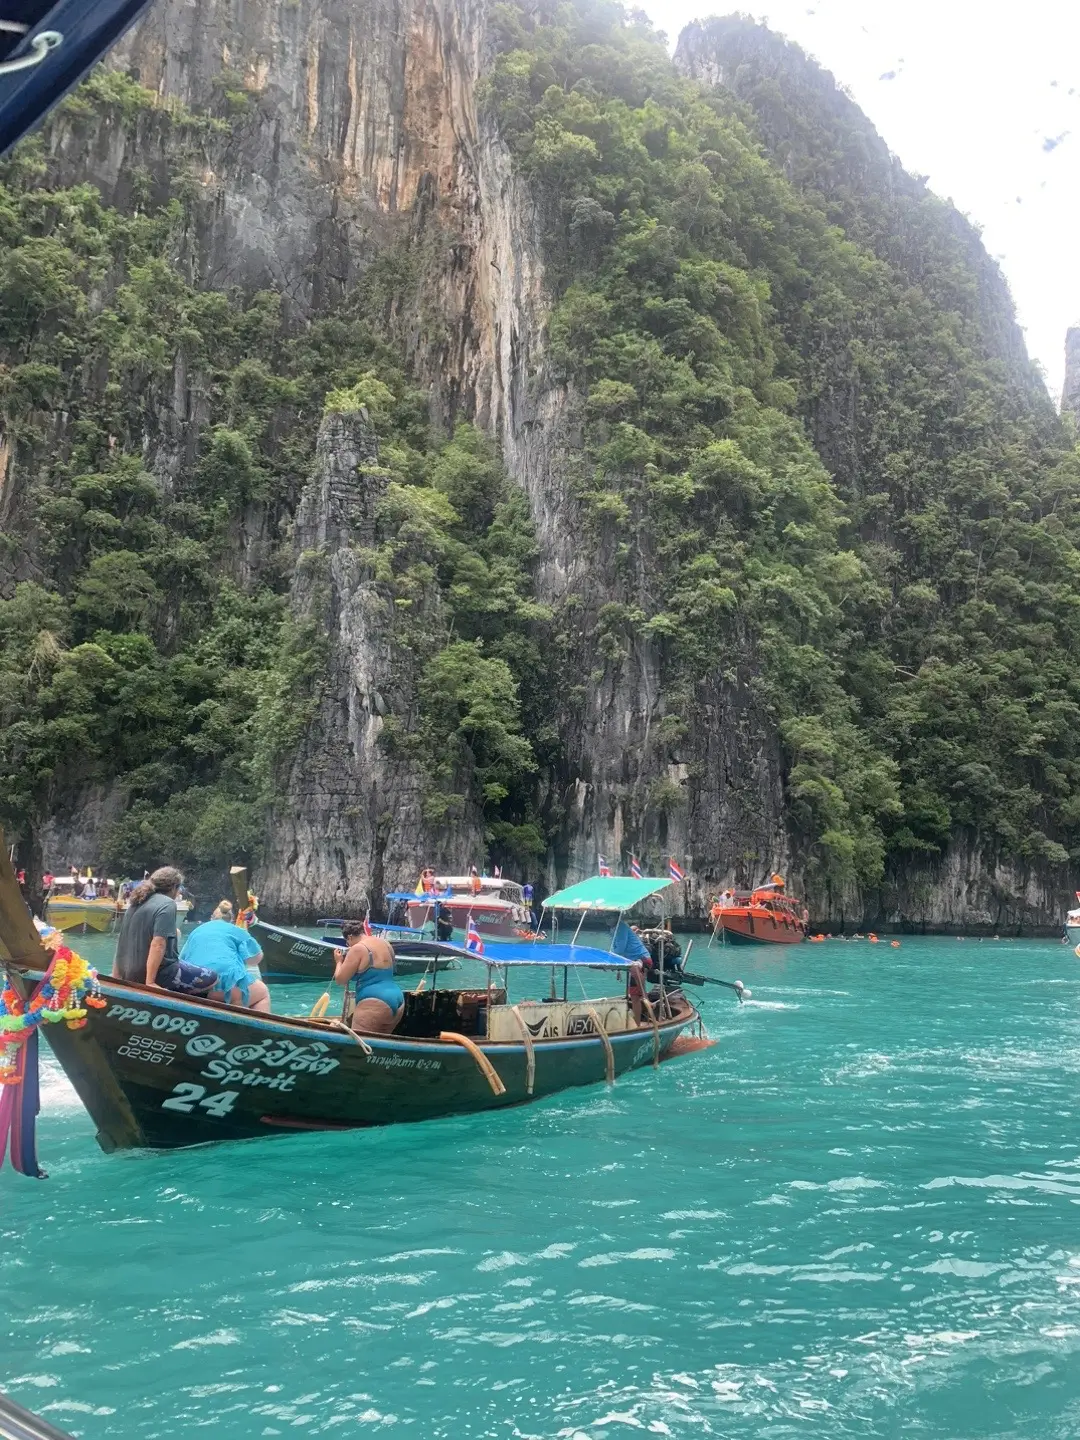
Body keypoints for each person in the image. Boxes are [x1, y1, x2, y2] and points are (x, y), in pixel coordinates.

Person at [112, 866, 217, 995]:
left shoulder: (135, 903)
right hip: (161, 974)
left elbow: (121, 941)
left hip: (128, 973)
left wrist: (116, 977)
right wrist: (150, 982)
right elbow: (158, 943)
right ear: (173, 888)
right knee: (212, 977)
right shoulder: (167, 904)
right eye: (178, 889)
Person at [179, 900, 271, 1012]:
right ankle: (255, 1028)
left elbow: (182, 958)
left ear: (211, 918)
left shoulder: (196, 931)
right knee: (262, 993)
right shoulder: (237, 931)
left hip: (194, 985)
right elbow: (255, 960)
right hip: (224, 986)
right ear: (231, 920)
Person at [333, 921, 403, 1035]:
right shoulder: (385, 943)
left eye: (347, 942)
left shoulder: (358, 949)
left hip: (374, 1001)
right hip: (397, 998)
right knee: (380, 1047)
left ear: (350, 937)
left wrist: (339, 961)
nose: (348, 945)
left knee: (359, 1046)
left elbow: (340, 979)